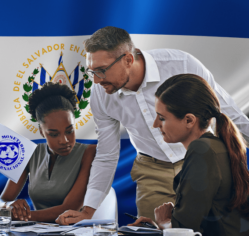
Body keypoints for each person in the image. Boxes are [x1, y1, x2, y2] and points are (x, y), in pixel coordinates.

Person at [55, 26, 249, 224]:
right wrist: (88, 211)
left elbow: (229, 113)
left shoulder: (182, 64)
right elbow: (106, 154)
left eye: (101, 71)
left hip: (200, 163)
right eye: (91, 72)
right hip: (152, 171)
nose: (96, 80)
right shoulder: (100, 94)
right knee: (153, 230)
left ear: (128, 59)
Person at [129, 74, 249, 235]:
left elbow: (185, 230)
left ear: (189, 120)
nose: (155, 124)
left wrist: (164, 223)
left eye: (162, 118)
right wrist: (161, 226)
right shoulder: (218, 146)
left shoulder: (202, 150)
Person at [0, 82, 96, 222]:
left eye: (69, 131)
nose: (64, 140)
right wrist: (9, 205)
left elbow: (69, 209)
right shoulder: (30, 152)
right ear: (41, 132)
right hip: (38, 231)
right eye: (54, 134)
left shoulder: (89, 152)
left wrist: (15, 215)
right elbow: (1, 202)